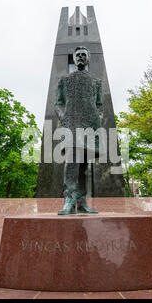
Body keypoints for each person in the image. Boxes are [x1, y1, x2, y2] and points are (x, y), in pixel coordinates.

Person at [55, 46, 103, 215]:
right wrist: (63, 117)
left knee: (83, 165)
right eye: (78, 56)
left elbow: (99, 104)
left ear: (88, 59)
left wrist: (98, 118)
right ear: (74, 59)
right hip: (71, 124)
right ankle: (68, 200)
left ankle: (81, 202)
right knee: (71, 162)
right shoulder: (65, 80)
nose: (81, 58)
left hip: (89, 126)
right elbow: (58, 103)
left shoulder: (96, 82)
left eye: (84, 55)